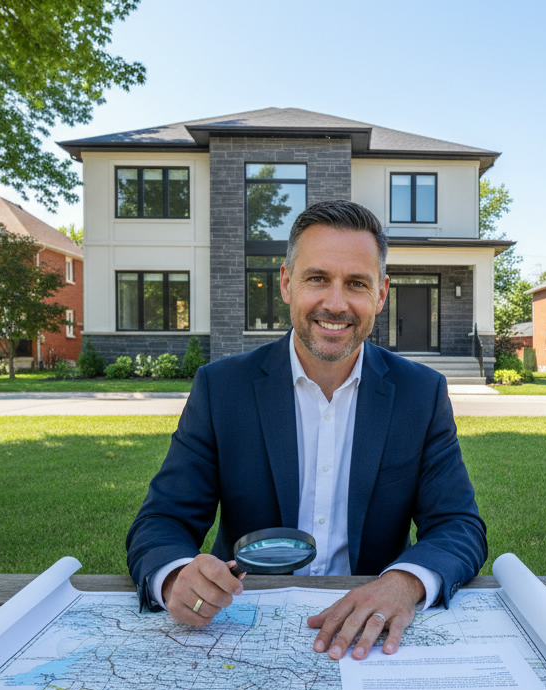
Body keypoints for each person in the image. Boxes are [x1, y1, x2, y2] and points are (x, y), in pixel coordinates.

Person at [125, 199, 487, 662]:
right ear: (286, 283)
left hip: (370, 637)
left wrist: (404, 583)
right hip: (244, 626)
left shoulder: (421, 393)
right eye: (317, 278)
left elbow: (458, 524)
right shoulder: (222, 388)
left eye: (356, 283)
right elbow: (162, 521)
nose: (335, 304)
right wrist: (176, 577)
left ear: (381, 294)